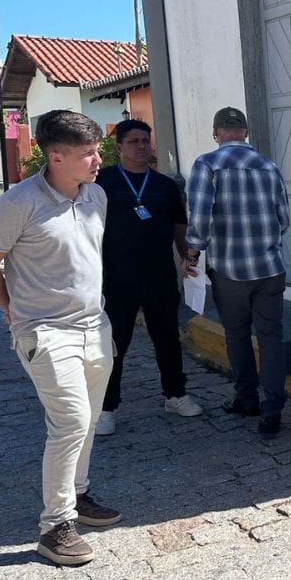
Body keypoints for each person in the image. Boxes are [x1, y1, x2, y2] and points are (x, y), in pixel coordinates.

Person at [0, 109, 122, 566]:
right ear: (56, 157)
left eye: (97, 150)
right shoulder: (18, 203)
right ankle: (55, 527)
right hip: (45, 331)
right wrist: (11, 308)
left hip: (95, 325)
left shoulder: (96, 195)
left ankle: (78, 494)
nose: (98, 160)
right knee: (70, 421)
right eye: (88, 153)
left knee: (88, 420)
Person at [184, 107, 290, 436]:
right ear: (245, 132)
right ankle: (273, 410)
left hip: (229, 269)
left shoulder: (207, 164)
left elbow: (199, 219)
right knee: (271, 338)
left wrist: (192, 253)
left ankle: (247, 399)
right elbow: (284, 219)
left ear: (216, 133)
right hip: (269, 268)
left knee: (237, 335)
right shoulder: (269, 166)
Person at [93, 119, 202, 435]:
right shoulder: (102, 182)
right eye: (134, 142)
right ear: (119, 147)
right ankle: (106, 407)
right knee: (115, 343)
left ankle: (175, 395)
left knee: (167, 338)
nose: (141, 147)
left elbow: (179, 226)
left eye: (145, 141)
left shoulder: (165, 186)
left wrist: (187, 258)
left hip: (159, 276)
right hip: (116, 278)